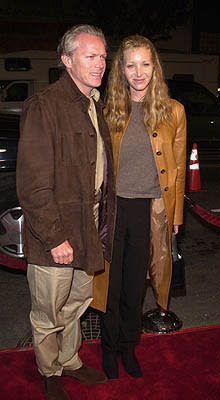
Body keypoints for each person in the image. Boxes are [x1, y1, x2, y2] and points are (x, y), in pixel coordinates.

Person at [16, 24, 116, 400]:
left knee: (77, 302)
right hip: (55, 232)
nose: (100, 63)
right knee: (48, 310)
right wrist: (54, 236)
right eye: (91, 56)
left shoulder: (93, 102)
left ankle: (70, 359)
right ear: (67, 60)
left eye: (103, 56)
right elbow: (32, 184)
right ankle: (49, 370)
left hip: (87, 225)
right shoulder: (45, 105)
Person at [99, 35, 187, 380]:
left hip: (149, 211)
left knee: (136, 287)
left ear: (155, 67)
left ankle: (127, 347)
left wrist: (176, 216)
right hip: (112, 210)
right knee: (110, 285)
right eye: (131, 64)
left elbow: (178, 169)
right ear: (121, 69)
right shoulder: (108, 110)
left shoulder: (174, 111)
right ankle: (108, 348)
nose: (139, 72)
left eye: (145, 64)